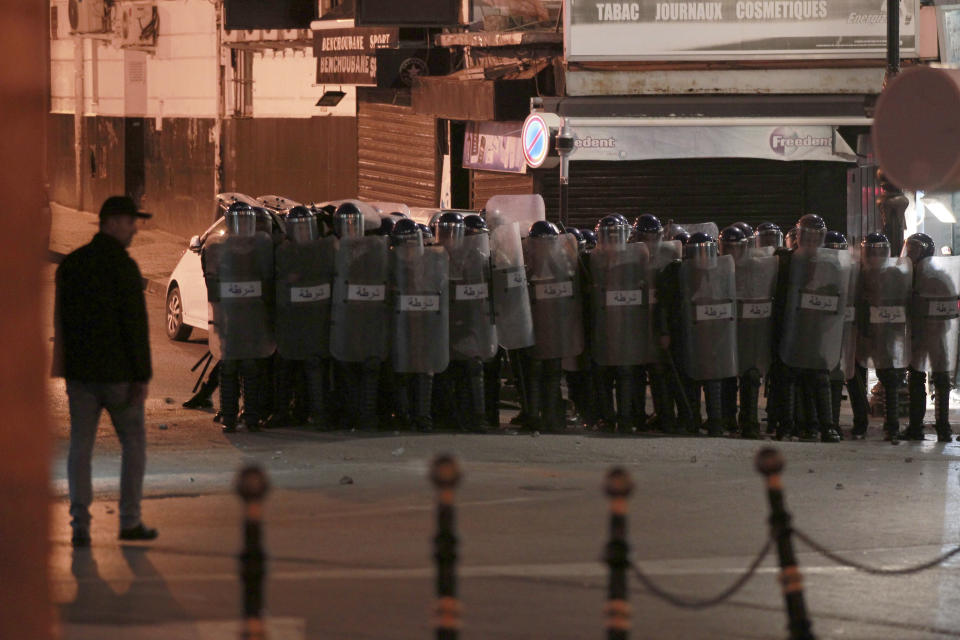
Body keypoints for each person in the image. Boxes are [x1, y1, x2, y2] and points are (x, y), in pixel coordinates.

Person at [53, 195, 158, 547]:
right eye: (130, 222)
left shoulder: (71, 265)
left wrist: (66, 367)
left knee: (80, 448)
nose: (134, 230)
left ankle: (79, 524)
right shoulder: (124, 268)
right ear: (113, 223)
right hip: (118, 377)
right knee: (133, 443)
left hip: (80, 376)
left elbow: (62, 323)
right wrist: (141, 375)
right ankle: (130, 520)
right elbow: (135, 325)